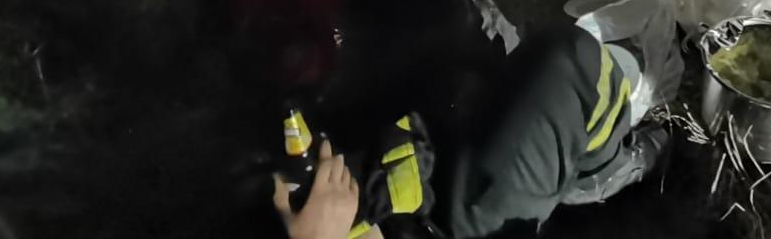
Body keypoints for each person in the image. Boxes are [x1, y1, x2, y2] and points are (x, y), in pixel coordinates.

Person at [271, 26, 666, 239]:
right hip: (440, 225)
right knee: (571, 65)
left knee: (437, 15)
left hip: (383, 181)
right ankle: (602, 172)